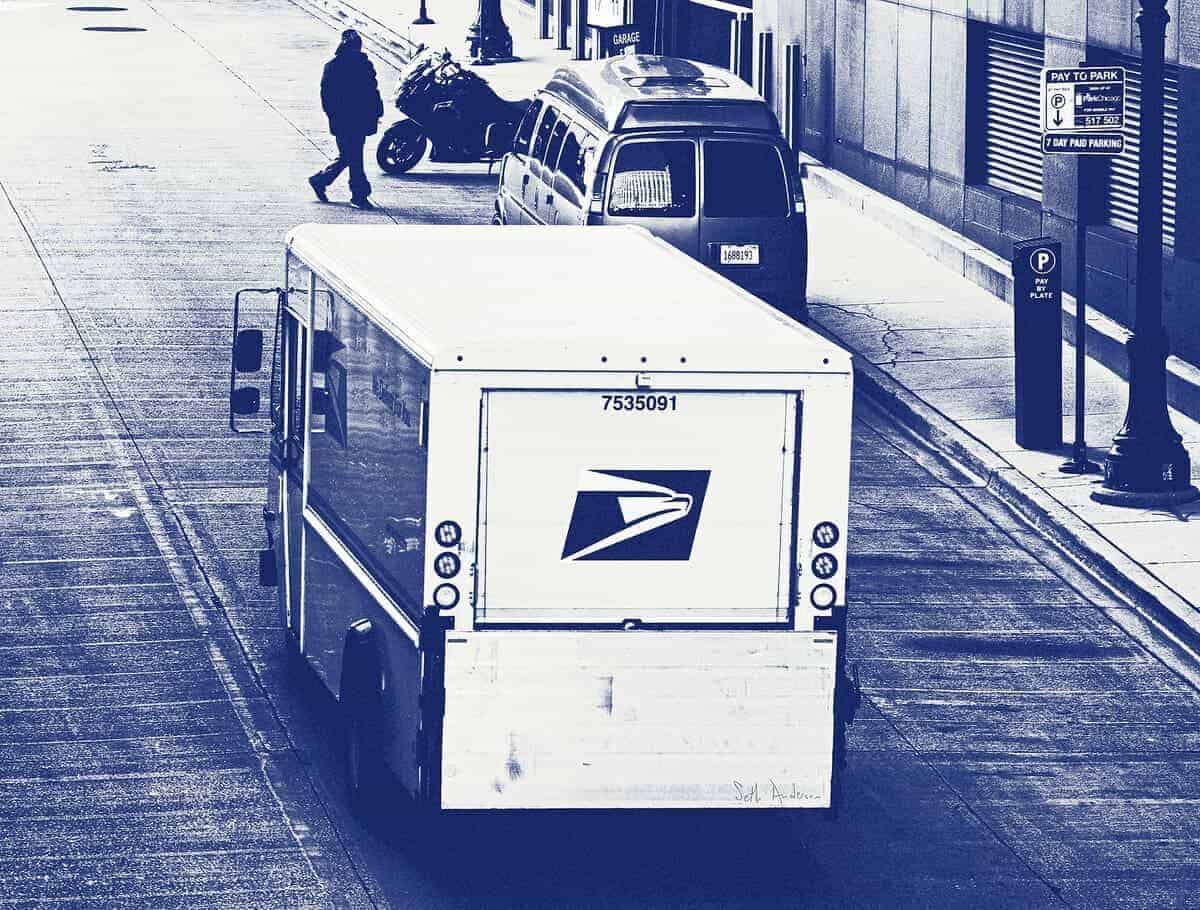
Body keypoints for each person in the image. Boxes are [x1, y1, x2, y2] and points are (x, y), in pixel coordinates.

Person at [309, 30, 384, 210]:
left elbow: (327, 97)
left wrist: (333, 116)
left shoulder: (333, 66)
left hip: (344, 120)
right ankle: (359, 194)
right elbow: (372, 92)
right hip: (355, 119)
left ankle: (321, 180)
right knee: (354, 156)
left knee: (349, 156)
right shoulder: (364, 65)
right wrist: (376, 111)